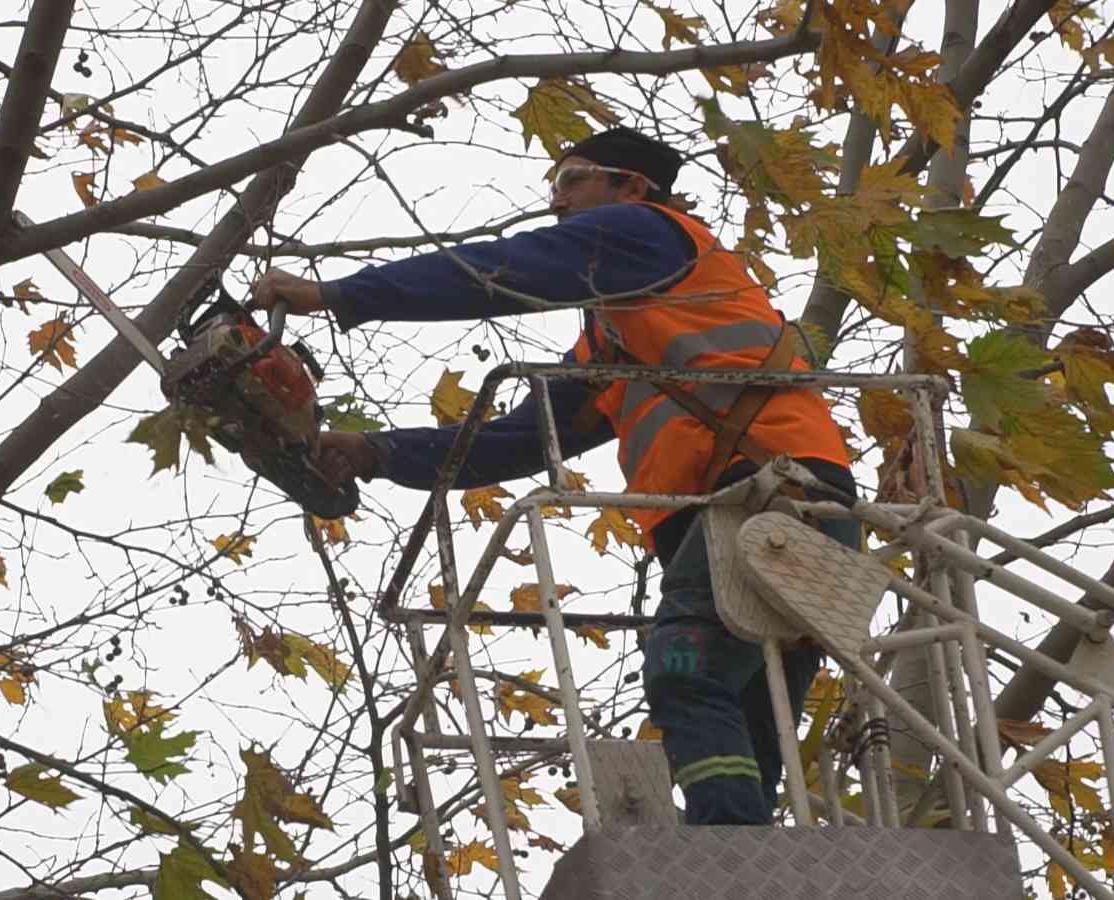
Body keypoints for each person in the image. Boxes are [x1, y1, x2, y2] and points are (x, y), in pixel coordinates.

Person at [252, 126, 856, 826]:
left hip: (772, 499)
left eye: (573, 180)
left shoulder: (649, 233)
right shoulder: (625, 332)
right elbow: (520, 436)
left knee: (682, 673)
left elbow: (507, 267)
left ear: (630, 185)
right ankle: (749, 854)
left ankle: (728, 859)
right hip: (763, 515)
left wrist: (334, 294)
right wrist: (377, 453)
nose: (557, 201)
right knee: (752, 720)